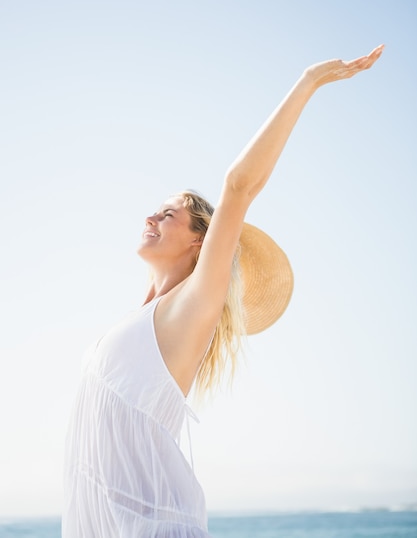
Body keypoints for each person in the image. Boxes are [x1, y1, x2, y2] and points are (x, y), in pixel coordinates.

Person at [62, 45, 384, 537]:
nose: (151, 216)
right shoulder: (140, 319)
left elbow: (239, 187)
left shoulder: (189, 310)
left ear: (200, 240)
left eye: (168, 214)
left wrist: (307, 81)